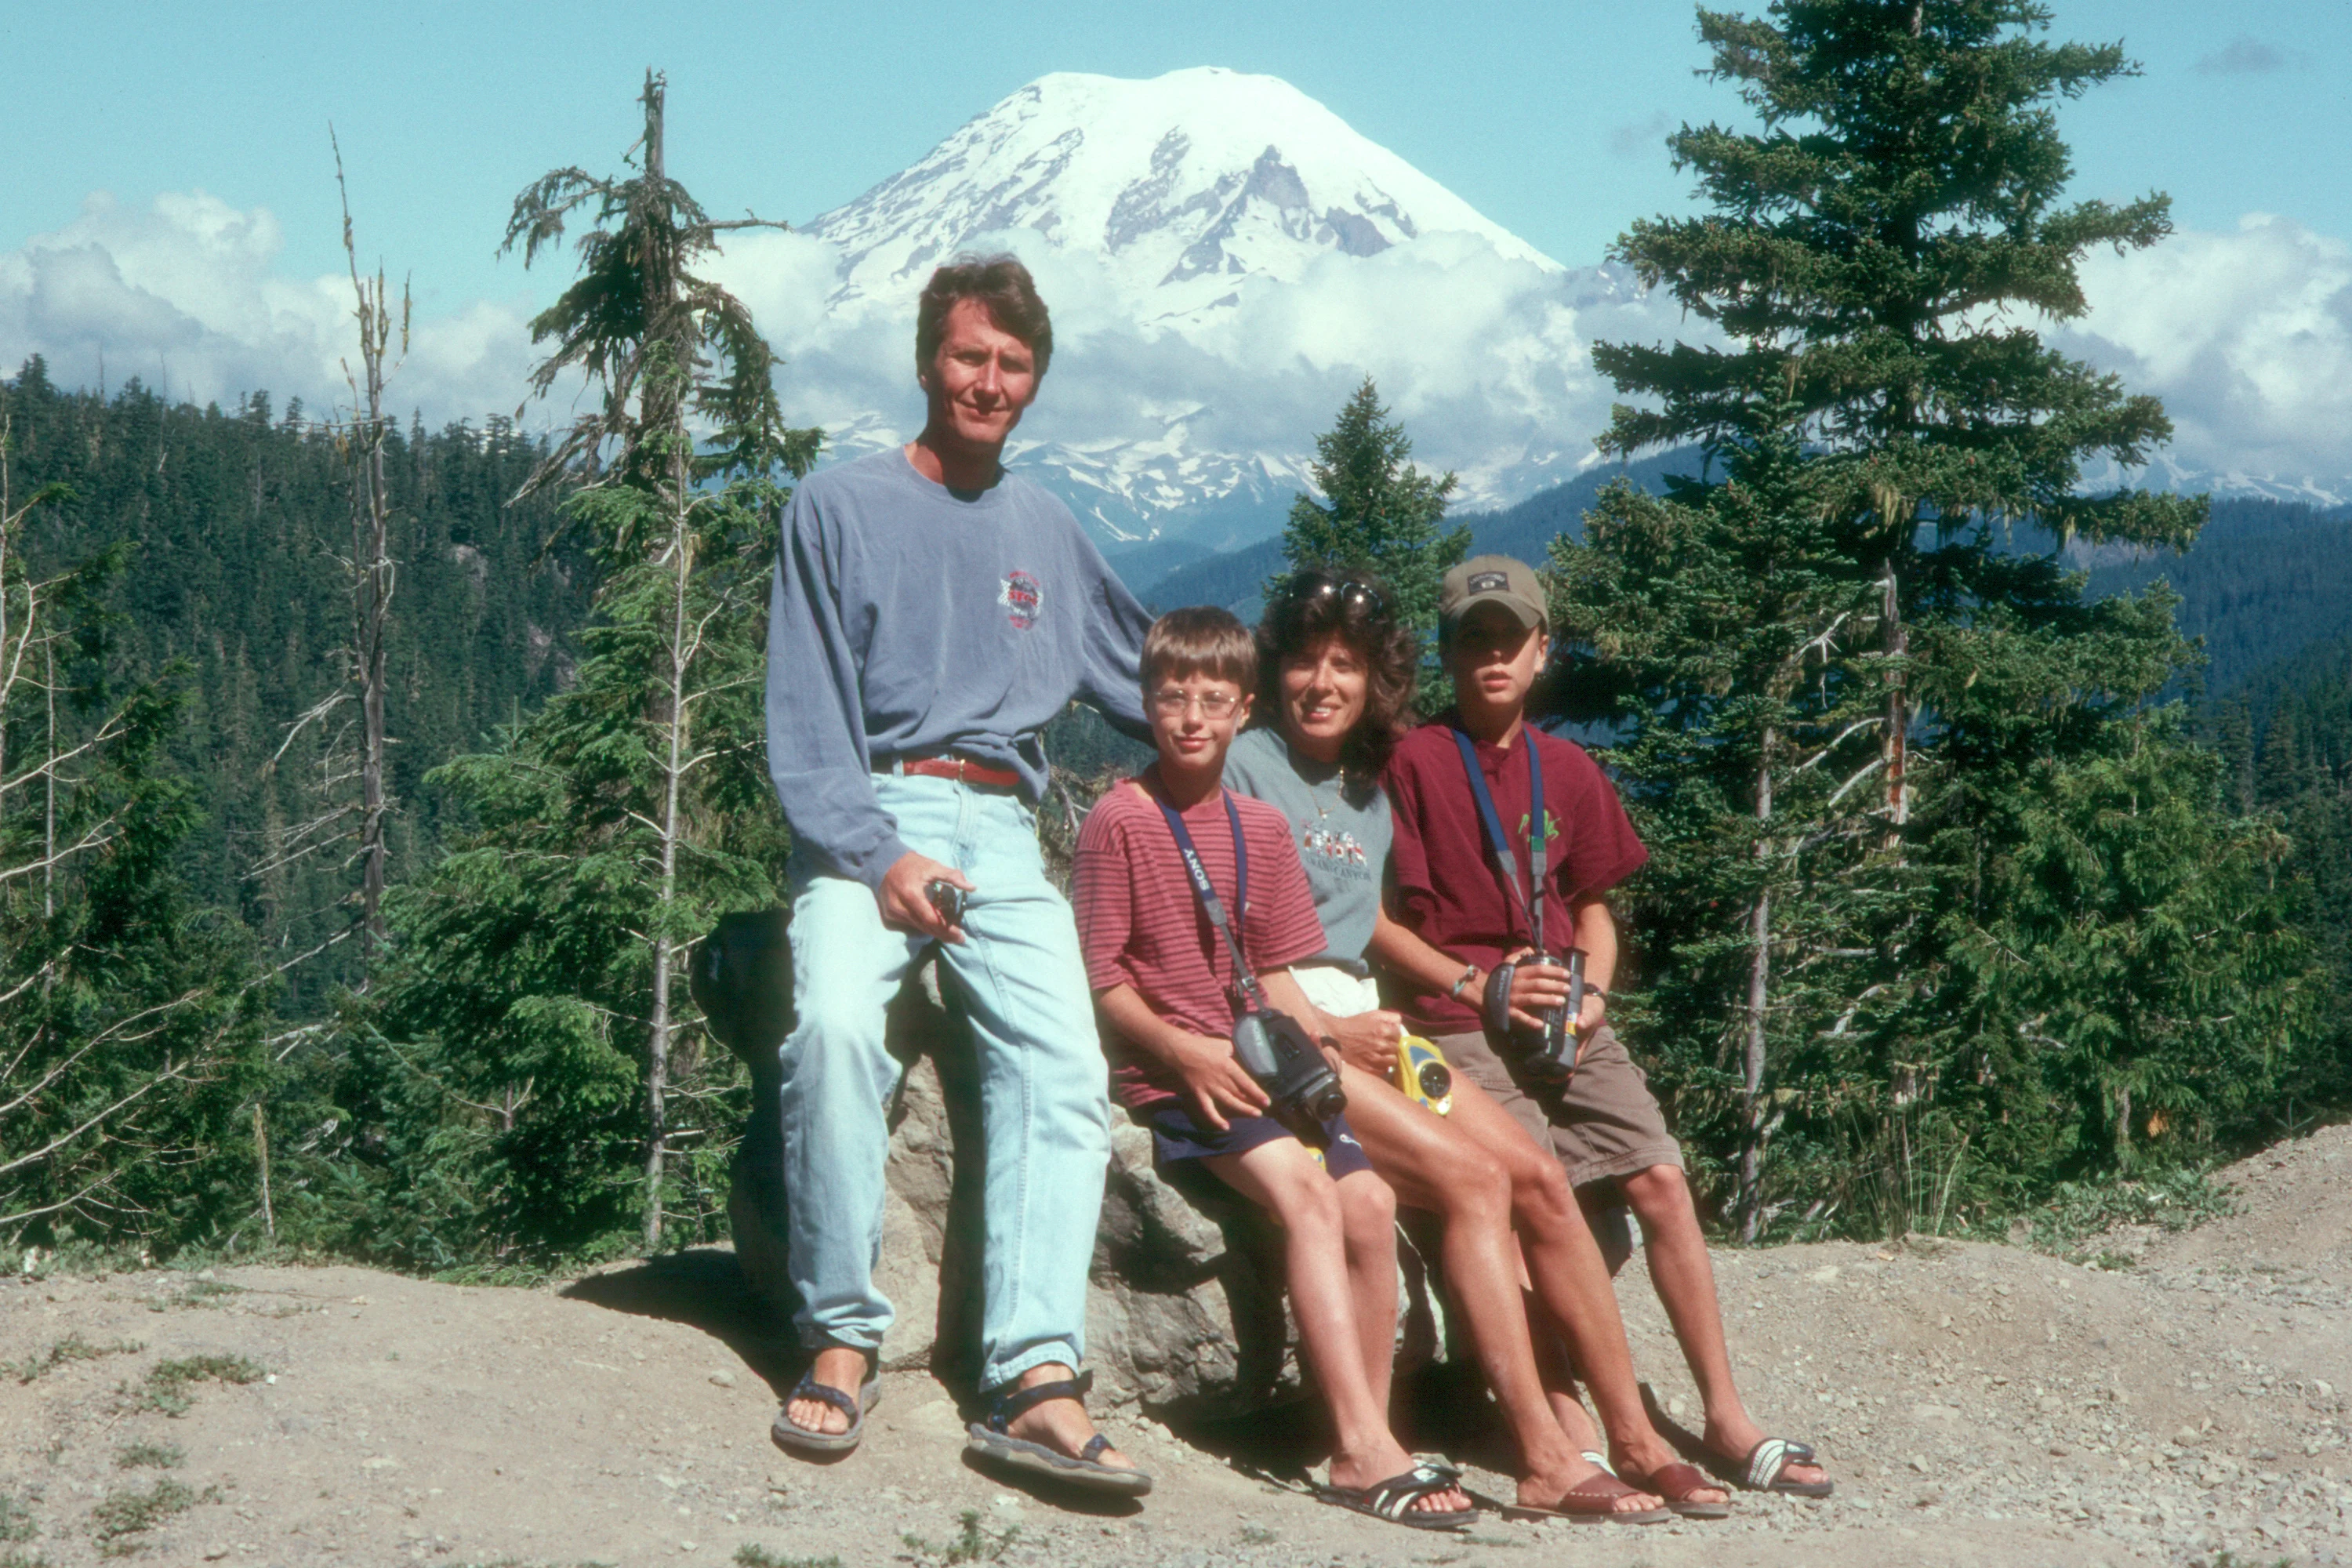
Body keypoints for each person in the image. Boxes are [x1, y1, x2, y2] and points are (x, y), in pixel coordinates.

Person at [763, 254, 1149, 1494]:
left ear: (1034, 381)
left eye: (1015, 365)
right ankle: (839, 1337)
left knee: (1063, 1061)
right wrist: (875, 858)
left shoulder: (1046, 527)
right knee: (830, 1025)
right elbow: (806, 721)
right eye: (972, 356)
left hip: (1004, 828)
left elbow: (1155, 679)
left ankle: (1034, 1378)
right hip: (869, 808)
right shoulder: (837, 506)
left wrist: (1316, 724)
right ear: (930, 359)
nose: (991, 382)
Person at [1223, 569, 1715, 1521]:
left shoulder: (1365, 788)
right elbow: (1226, 933)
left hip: (1374, 1017)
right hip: (1293, 1017)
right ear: (1273, 671)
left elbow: (1378, 921)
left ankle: (1637, 1434)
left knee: (1536, 1172)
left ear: (1376, 683)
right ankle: (1541, 1451)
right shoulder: (1247, 764)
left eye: (1346, 667)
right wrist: (1326, 1026)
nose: (1322, 684)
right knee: (1479, 1181)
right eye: (1304, 663)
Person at [1376, 554, 1836, 1500]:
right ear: (1448, 654)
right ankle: (1580, 1426)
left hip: (1565, 1015)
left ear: (1545, 650)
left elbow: (1591, 905)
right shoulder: (1411, 762)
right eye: (1473, 638)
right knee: (1526, 1195)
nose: (1493, 654)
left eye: (1511, 636)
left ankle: (1725, 1412)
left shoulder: (1568, 768)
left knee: (1661, 1175)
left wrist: (1593, 999)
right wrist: (1478, 986)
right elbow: (1372, 919)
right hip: (1455, 1019)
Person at [1073, 606, 1475, 1531]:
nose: (1190, 718)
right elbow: (1104, 978)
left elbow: (1286, 977)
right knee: (1307, 1191)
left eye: (1214, 700)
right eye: (1172, 697)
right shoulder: (1117, 821)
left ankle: (1365, 1434)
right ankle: (1367, 1449)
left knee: (1371, 1202)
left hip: (1266, 1064)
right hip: (1178, 1074)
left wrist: (1326, 1060)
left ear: (1244, 708)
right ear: (1145, 701)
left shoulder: (1260, 826)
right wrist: (1182, 1050)